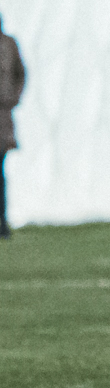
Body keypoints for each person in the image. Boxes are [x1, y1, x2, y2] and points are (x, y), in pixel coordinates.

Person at [0, 15, 24, 239]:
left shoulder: (9, 44)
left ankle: (3, 222)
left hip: (3, 116)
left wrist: (14, 97)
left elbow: (20, 73)